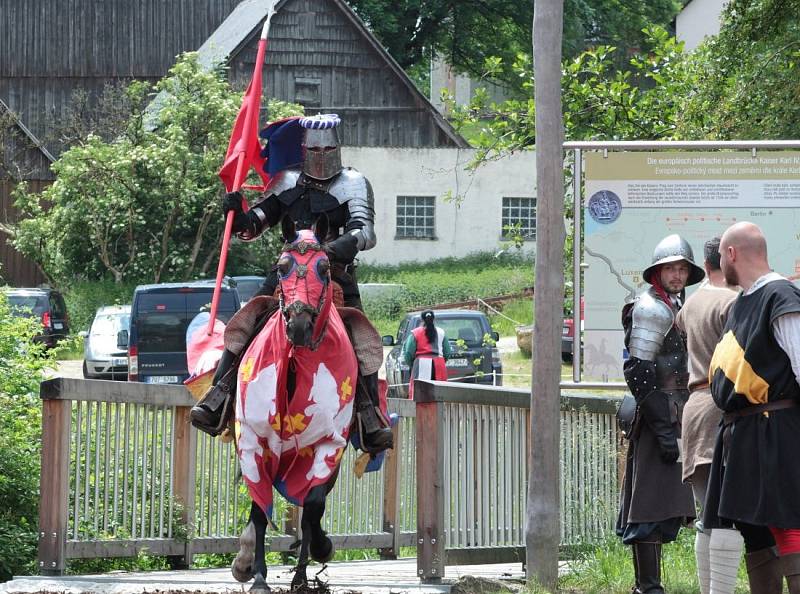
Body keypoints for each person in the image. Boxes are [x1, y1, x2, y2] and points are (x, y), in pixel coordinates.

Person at [191, 114, 393, 454]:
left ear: (338, 148)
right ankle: (220, 394)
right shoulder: (287, 180)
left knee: (362, 337)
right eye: (317, 148)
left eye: (329, 147)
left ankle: (368, 414)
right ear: (304, 148)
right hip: (286, 274)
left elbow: (366, 233)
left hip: (333, 275)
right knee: (248, 319)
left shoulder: (354, 182)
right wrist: (238, 214)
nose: (323, 154)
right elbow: (254, 226)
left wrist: (330, 250)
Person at [705, 221, 800, 593]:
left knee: (788, 522)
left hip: (777, 430)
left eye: (720, 256)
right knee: (755, 530)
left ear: (731, 254)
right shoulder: (743, 302)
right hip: (743, 434)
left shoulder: (782, 297)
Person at [617, 234, 703, 594]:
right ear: (658, 271)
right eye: (671, 268)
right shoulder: (650, 307)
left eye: (683, 268)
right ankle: (648, 587)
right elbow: (638, 372)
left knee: (665, 500)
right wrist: (663, 429)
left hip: (674, 412)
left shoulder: (674, 303)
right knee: (650, 502)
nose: (678, 274)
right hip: (657, 415)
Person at [674, 237, 742, 594]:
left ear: (705, 261)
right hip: (722, 407)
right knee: (726, 516)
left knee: (708, 516)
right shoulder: (732, 301)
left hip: (695, 406)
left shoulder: (692, 302)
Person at [400, 310, 453, 399]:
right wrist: (441, 362)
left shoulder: (415, 333)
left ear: (422, 320)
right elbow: (447, 352)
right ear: (434, 319)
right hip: (439, 364)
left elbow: (408, 353)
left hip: (421, 364)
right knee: (439, 395)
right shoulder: (441, 332)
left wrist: (413, 365)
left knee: (420, 395)